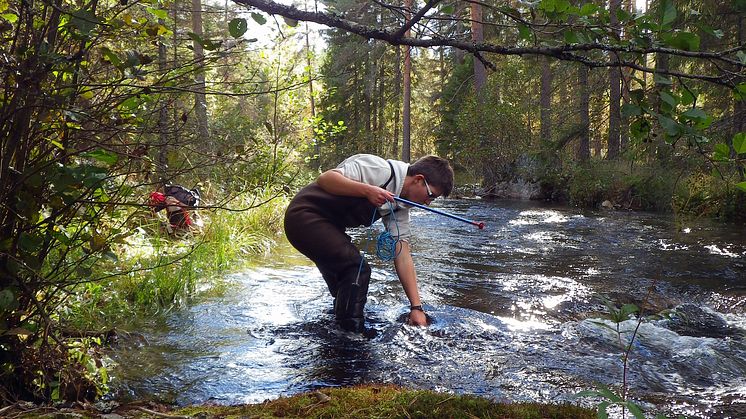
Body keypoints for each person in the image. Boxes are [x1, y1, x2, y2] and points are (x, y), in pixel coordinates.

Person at [284, 154, 454, 334]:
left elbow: (403, 254)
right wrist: (367, 190)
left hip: (329, 228)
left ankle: (338, 336)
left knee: (345, 289)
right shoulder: (379, 170)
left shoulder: (401, 208)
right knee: (357, 269)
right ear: (419, 180)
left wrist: (416, 308)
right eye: (430, 196)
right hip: (303, 216)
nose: (427, 203)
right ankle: (352, 338)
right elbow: (326, 179)